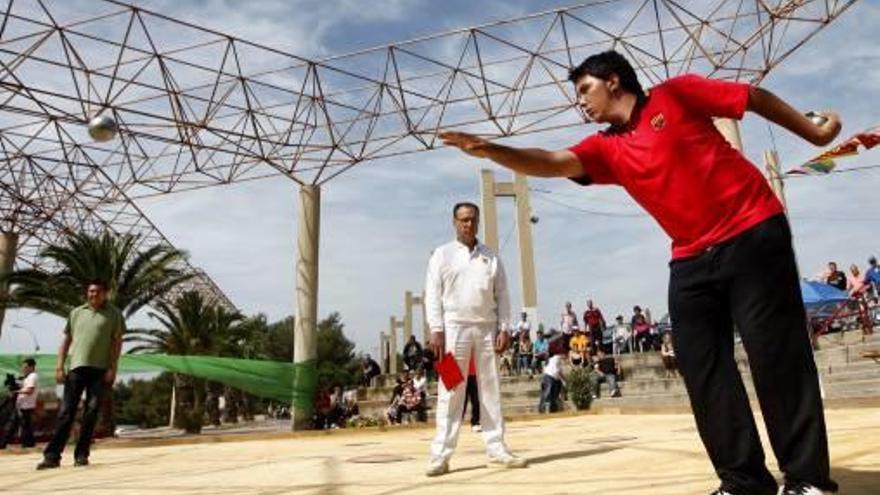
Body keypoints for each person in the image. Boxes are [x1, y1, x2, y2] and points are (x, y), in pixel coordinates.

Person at [440, 49, 840, 495]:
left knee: (775, 356)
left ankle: (806, 480)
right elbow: (551, 162)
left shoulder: (677, 94)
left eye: (585, 89)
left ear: (613, 81)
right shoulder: (605, 148)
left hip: (751, 231)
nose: (581, 102)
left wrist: (813, 133)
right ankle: (743, 481)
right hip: (690, 257)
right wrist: (492, 150)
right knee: (701, 366)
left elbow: (752, 97)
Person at [424, 202, 527, 476]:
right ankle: (440, 455)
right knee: (450, 391)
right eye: (463, 220)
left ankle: (497, 449)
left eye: (472, 220)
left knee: (490, 391)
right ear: (454, 222)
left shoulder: (491, 257)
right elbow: (432, 294)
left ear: (478, 222)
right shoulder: (441, 255)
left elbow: (502, 295)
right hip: (452, 330)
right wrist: (435, 328)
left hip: (486, 330)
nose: (468, 224)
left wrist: (504, 327)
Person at [38, 280, 125, 470]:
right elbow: (66, 341)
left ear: (105, 294)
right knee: (66, 413)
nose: (93, 295)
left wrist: (113, 368)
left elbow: (117, 343)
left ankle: (81, 455)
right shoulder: (76, 313)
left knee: (92, 412)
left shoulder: (114, 314)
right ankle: (52, 456)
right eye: (90, 292)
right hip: (76, 369)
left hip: (100, 371)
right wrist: (59, 367)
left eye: (97, 292)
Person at [0, 358, 38, 449]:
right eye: (23, 367)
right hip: (22, 405)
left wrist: (16, 392)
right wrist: (15, 384)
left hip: (26, 405)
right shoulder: (28, 377)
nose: (23, 369)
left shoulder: (33, 376)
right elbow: (24, 386)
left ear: (31, 367)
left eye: (25, 367)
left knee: (19, 425)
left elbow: (30, 390)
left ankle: (4, 443)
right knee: (22, 425)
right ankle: (29, 443)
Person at [538, 347, 565, 413]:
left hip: (554, 378)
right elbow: (557, 371)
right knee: (547, 394)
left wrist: (564, 380)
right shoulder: (557, 358)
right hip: (549, 377)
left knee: (554, 395)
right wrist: (564, 380)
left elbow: (560, 372)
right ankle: (543, 408)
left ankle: (553, 409)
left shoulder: (557, 360)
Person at [462, 357, 480, 432]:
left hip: (474, 374)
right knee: (461, 401)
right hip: (461, 373)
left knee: (476, 399)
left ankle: (475, 422)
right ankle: (457, 422)